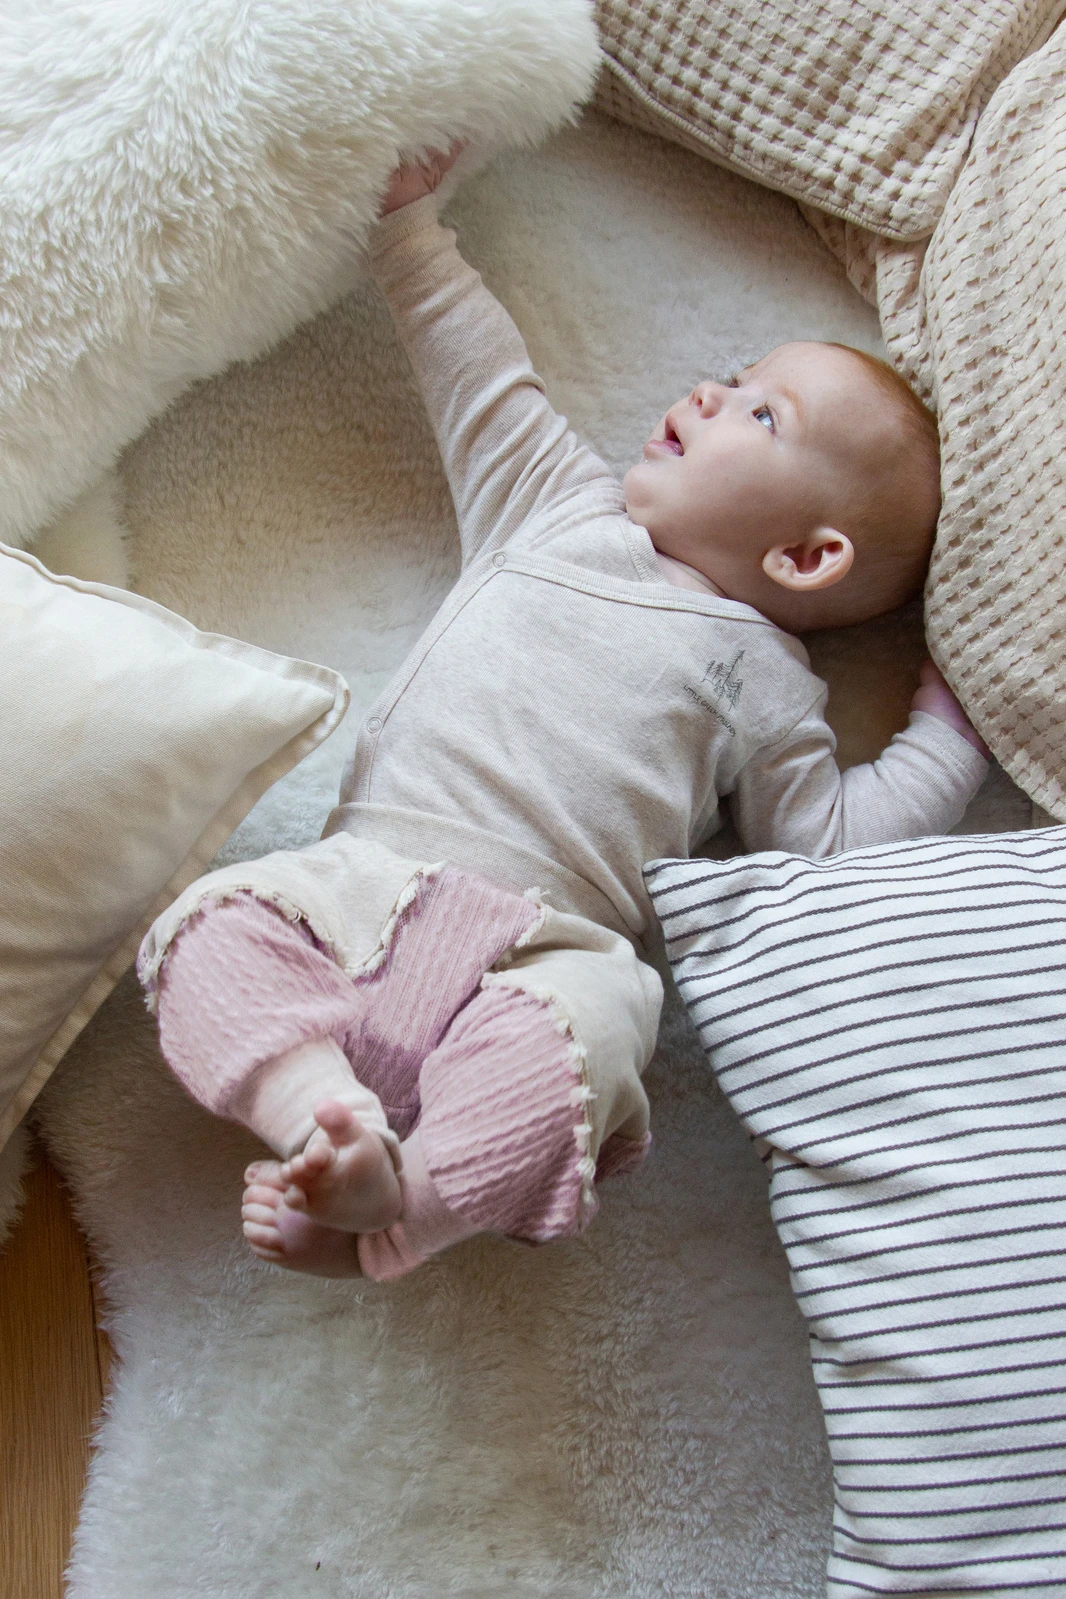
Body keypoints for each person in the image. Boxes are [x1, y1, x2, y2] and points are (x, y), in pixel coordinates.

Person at [137, 148, 989, 1282]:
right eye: (730, 375)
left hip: (545, 949)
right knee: (209, 922)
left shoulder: (771, 686)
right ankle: (317, 1119)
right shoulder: (554, 505)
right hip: (362, 886)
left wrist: (951, 734)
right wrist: (408, 229)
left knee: (602, 1026)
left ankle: (407, 1207)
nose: (706, 394)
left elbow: (832, 844)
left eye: (759, 413)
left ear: (805, 556)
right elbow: (479, 374)